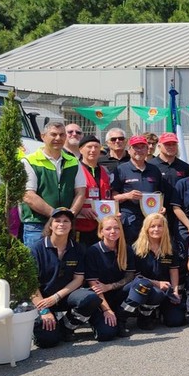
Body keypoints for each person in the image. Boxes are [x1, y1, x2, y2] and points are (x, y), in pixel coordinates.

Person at [28, 207, 101, 346]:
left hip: (64, 296)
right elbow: (30, 283)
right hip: (42, 300)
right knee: (47, 341)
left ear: (71, 226)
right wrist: (44, 310)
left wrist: (56, 297)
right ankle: (48, 326)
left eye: (66, 221)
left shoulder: (78, 249)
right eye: (57, 220)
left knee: (91, 298)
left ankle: (66, 327)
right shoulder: (36, 249)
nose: (62, 224)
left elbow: (78, 279)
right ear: (50, 225)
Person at [20, 121, 87, 248]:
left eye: (62, 135)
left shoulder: (74, 162)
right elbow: (28, 195)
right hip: (37, 225)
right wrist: (56, 215)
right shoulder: (29, 161)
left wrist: (69, 215)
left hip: (64, 225)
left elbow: (81, 192)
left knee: (63, 259)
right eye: (53, 134)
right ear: (43, 136)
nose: (58, 138)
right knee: (36, 260)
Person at [124, 213, 184, 329]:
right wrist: (157, 283)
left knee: (176, 321)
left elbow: (173, 271)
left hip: (166, 289)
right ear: (146, 228)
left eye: (160, 226)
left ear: (164, 228)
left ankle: (161, 311)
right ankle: (144, 314)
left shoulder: (170, 248)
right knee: (155, 293)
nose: (156, 229)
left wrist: (175, 291)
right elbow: (136, 276)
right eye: (152, 226)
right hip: (146, 290)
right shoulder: (135, 249)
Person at [83, 215, 136, 340]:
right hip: (100, 298)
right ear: (101, 232)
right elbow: (94, 285)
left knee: (141, 285)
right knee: (106, 334)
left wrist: (110, 286)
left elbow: (130, 276)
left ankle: (121, 319)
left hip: (118, 293)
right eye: (108, 229)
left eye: (116, 228)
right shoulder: (93, 251)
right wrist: (106, 310)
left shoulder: (126, 249)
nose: (113, 231)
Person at [110, 134, 167, 244]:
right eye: (136, 147)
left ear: (147, 150)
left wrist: (161, 207)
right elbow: (112, 197)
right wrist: (127, 196)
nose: (139, 150)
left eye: (142, 147)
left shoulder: (154, 170)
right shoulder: (120, 170)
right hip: (129, 220)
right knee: (130, 249)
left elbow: (160, 194)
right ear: (129, 150)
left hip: (150, 220)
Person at [74, 134, 110, 247]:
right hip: (81, 226)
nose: (93, 150)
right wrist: (80, 210)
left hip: (101, 226)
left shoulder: (105, 171)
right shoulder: (75, 169)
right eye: (89, 147)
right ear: (81, 149)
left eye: (96, 147)